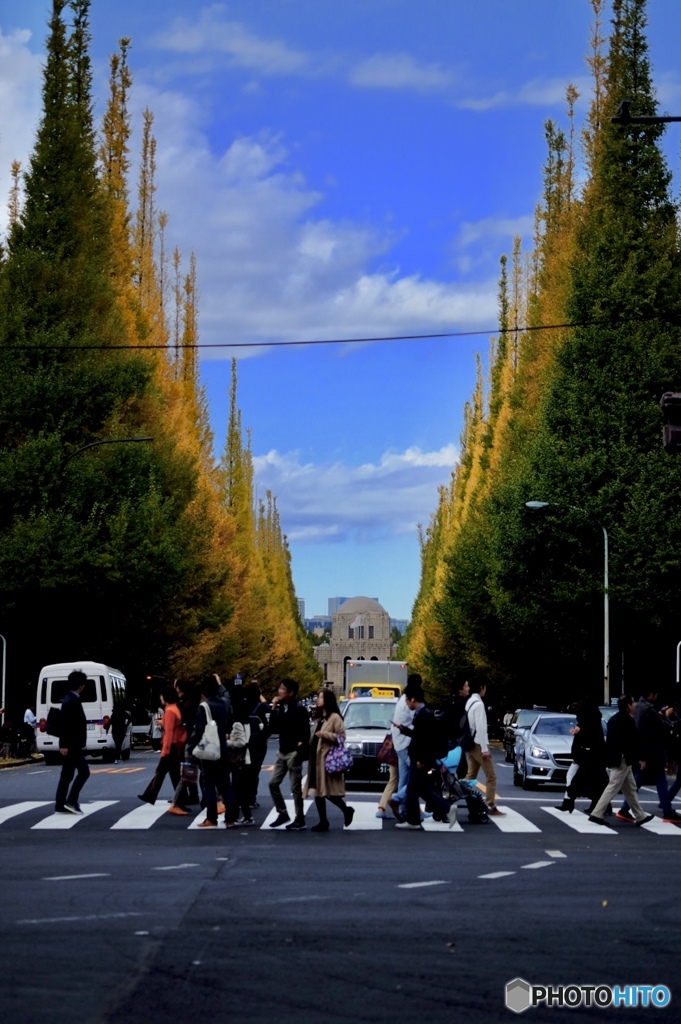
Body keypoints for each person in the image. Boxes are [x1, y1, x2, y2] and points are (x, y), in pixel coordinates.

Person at [392, 676, 456, 830]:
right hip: (420, 758)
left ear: (413, 699)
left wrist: (421, 759)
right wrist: (405, 730)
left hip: (421, 760)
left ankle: (416, 819)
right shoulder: (423, 714)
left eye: (407, 700)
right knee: (420, 790)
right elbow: (420, 736)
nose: (406, 703)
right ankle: (420, 817)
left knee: (414, 790)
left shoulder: (423, 715)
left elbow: (425, 741)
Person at [588, 694, 655, 826]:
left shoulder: (615, 719)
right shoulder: (627, 721)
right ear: (628, 706)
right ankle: (596, 813)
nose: (635, 704)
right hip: (622, 759)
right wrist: (641, 757)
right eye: (632, 703)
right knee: (613, 787)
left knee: (630, 788)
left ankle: (640, 816)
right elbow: (633, 742)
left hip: (620, 759)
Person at [616, 687, 681, 824]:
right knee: (656, 780)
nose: (656, 697)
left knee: (641, 781)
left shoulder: (639, 707)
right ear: (650, 694)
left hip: (645, 751)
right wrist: (665, 716)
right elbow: (663, 727)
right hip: (653, 751)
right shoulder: (649, 710)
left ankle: (625, 808)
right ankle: (667, 811)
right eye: (655, 694)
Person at [304, 688, 355, 831]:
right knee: (318, 791)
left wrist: (325, 734)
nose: (318, 700)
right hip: (316, 758)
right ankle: (323, 821)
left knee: (326, 792)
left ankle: (346, 810)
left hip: (327, 759)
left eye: (321, 698)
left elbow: (341, 737)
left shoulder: (335, 717)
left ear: (327, 700)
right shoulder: (320, 717)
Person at [187, 674, 231, 828]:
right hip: (223, 748)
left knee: (209, 784)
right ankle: (231, 819)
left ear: (203, 691)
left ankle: (211, 818)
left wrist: (191, 746)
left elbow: (198, 730)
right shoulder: (225, 704)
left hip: (210, 750)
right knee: (225, 784)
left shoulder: (204, 706)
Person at [268, 678, 310, 830]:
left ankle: (300, 818)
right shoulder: (280, 708)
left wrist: (299, 748)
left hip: (293, 753)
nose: (279, 691)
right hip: (282, 751)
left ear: (291, 693)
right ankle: (282, 812)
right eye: (279, 688)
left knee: (295, 788)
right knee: (273, 783)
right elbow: (273, 728)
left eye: (282, 689)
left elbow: (306, 732)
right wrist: (273, 707)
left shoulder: (299, 709)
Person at [556, 696, 608, 814]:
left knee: (577, 777)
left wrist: (576, 754)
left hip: (587, 756)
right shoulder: (593, 721)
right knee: (598, 782)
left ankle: (569, 801)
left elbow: (585, 740)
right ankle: (599, 804)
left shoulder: (587, 723)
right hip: (592, 756)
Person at [138, 686, 187, 806]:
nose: (160, 698)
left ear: (166, 697)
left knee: (161, 773)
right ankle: (181, 798)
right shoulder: (174, 708)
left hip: (170, 746)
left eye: (161, 695)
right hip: (175, 746)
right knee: (174, 774)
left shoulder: (169, 710)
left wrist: (165, 750)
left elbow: (169, 732)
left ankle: (150, 795)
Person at [464, 680, 505, 817]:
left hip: (470, 743)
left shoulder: (469, 702)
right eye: (485, 687)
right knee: (491, 776)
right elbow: (481, 727)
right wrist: (484, 749)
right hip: (478, 744)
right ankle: (490, 805)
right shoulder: (479, 704)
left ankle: (451, 796)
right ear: (481, 688)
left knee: (470, 777)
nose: (485, 690)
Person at [55, 669, 90, 813]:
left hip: (70, 744)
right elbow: (66, 725)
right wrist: (63, 744)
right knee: (84, 772)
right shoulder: (71, 701)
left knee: (67, 775)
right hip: (72, 744)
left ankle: (60, 804)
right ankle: (71, 801)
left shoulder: (70, 699)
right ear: (81, 685)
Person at [384, 677, 416, 820]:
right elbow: (416, 722)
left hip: (399, 743)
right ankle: (397, 799)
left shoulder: (402, 699)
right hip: (406, 744)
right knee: (417, 776)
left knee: (404, 778)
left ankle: (404, 811)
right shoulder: (409, 703)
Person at [169, 679, 200, 813]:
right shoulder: (192, 701)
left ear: (179, 689)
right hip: (190, 739)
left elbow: (181, 722)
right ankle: (192, 795)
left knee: (183, 767)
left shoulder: (182, 704)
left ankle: (183, 797)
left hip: (183, 740)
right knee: (190, 765)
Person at [243, 681, 269, 809]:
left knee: (243, 770)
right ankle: (251, 798)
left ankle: (242, 797)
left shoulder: (242, 706)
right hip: (259, 743)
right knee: (255, 771)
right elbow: (268, 710)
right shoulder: (262, 707)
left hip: (244, 742)